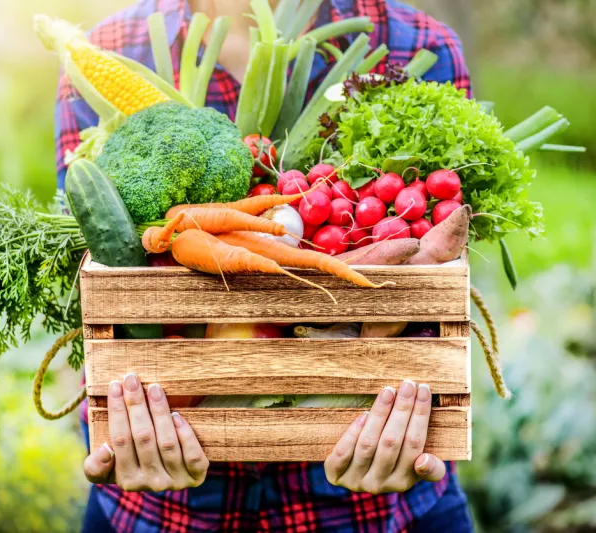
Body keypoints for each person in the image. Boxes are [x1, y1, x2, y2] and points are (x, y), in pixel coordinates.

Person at [55, 2, 473, 531]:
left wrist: (415, 421)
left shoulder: (420, 44)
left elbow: (442, 286)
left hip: (382, 511)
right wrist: (123, 422)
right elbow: (95, 276)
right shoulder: (106, 49)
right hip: (161, 515)